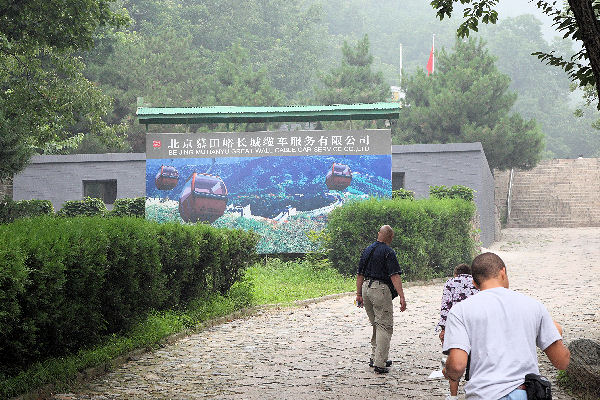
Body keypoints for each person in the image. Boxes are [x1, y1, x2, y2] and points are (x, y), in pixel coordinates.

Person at [442, 252, 570, 400]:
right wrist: (555, 334)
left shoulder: (460, 311)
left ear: (475, 284)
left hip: (483, 395)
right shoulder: (533, 306)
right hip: (526, 393)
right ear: (503, 272)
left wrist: (449, 371)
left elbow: (457, 366)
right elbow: (562, 361)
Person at [355, 225, 407, 374]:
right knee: (384, 326)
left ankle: (375, 357)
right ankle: (380, 363)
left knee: (376, 325)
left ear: (379, 234)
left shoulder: (367, 250)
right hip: (380, 289)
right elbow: (394, 275)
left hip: (365, 287)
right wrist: (402, 296)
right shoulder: (388, 252)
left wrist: (358, 294)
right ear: (391, 237)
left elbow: (359, 274)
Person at [436, 263, 479, 400]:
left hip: (456, 327)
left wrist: (443, 329)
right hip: (475, 326)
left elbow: (445, 307)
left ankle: (453, 396)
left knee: (455, 360)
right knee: (474, 361)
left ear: (456, 273)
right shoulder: (477, 283)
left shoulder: (450, 283)